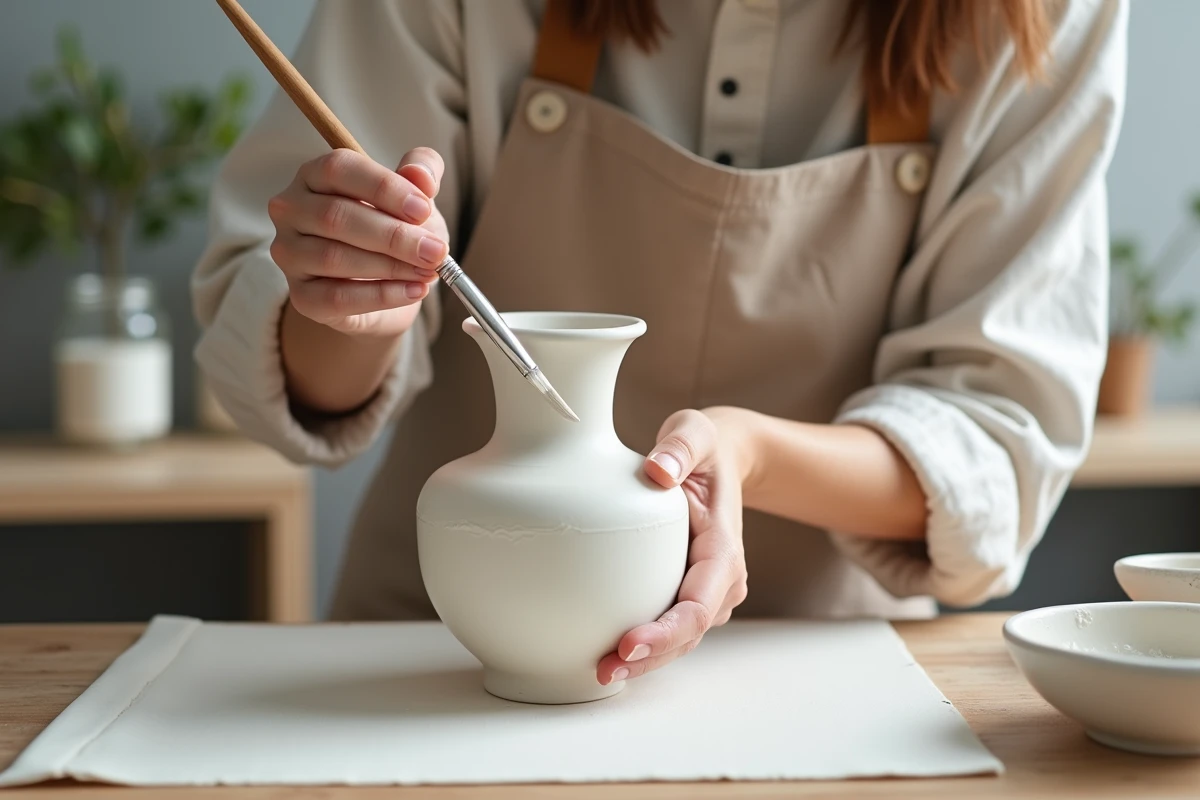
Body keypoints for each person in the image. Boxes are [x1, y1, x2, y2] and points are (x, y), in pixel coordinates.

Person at [193, 0, 1127, 686]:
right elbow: (298, 375)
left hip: (819, 680)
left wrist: (749, 457)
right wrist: (354, 299)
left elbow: (993, 434)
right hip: (430, 662)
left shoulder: (1044, 17)